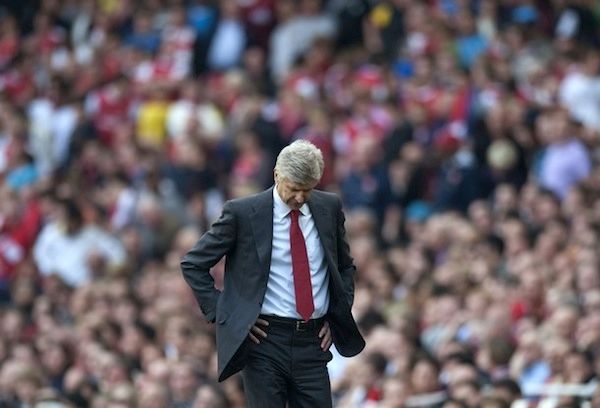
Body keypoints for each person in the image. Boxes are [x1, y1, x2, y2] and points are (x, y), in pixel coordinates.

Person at [181, 140, 365, 407]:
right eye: (294, 189)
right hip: (264, 341)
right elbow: (194, 263)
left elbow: (345, 267)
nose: (301, 198)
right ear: (277, 175)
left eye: (308, 190)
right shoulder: (242, 213)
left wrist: (336, 314)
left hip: (314, 341)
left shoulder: (329, 207)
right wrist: (228, 312)